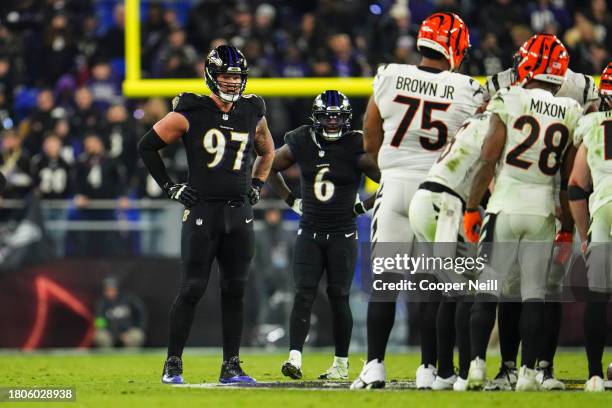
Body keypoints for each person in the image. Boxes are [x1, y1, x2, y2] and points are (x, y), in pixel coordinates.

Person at [351, 12, 484, 390]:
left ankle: (374, 364)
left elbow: (370, 139)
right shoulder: (468, 88)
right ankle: (428, 367)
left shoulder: (388, 75)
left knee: (385, 283)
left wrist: (391, 168)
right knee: (430, 285)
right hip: (437, 191)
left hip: (392, 186)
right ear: (455, 47)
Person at [138, 45, 274, 385]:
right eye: (226, 76)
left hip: (239, 213)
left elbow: (267, 149)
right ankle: (173, 363)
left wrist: (257, 183)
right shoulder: (190, 109)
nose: (231, 83)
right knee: (193, 288)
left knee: (236, 289)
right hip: (202, 211)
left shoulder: (252, 110)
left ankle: (231, 365)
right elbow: (147, 146)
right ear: (212, 75)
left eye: (237, 77)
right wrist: (171, 187)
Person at [463, 33, 582, 391]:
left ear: (528, 63)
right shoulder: (572, 110)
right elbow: (567, 176)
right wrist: (565, 221)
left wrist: (471, 206)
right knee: (534, 295)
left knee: (488, 290)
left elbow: (487, 159)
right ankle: (529, 373)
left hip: (506, 204)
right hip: (543, 210)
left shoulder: (510, 96)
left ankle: (477, 368)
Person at [267, 90, 380, 380]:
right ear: (316, 118)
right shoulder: (301, 140)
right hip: (310, 231)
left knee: (339, 296)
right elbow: (268, 165)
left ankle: (341, 364)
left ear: (346, 119)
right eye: (327, 117)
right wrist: (291, 199)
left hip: (343, 233)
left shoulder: (355, 144)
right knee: (303, 294)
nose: (332, 122)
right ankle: (294, 358)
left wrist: (362, 206)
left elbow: (390, 179)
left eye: (337, 117)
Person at [408, 108, 491, 391]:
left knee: (449, 289)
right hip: (446, 203)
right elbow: (488, 170)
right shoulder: (495, 125)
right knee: (464, 290)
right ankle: (465, 373)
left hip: (424, 199)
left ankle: (444, 372)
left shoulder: (469, 125)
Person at [568, 62, 612, 392]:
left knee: (598, 297)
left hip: (604, 209)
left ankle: (595, 374)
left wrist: (584, 234)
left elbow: (576, 186)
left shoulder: (594, 123)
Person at [94, 276, 146, 349]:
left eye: (112, 289)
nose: (110, 292)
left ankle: (130, 358)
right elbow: (99, 323)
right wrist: (116, 334)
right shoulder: (101, 303)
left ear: (117, 289)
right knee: (100, 336)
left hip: (128, 332)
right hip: (110, 333)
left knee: (137, 335)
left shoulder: (129, 299)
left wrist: (137, 328)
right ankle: (108, 358)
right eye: (108, 290)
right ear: (104, 291)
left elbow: (141, 313)